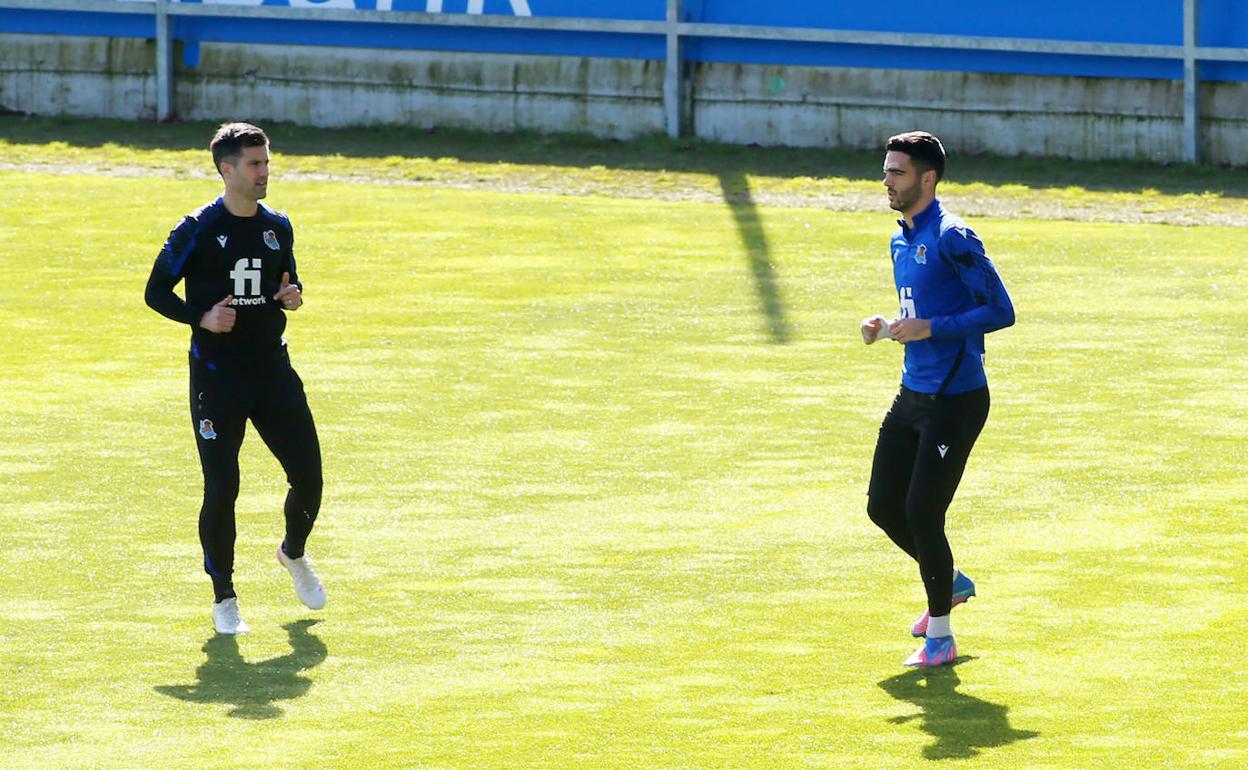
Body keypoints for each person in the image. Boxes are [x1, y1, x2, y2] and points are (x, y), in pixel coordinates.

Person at [146, 122, 326, 635]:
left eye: (266, 162)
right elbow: (156, 292)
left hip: (272, 370)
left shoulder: (278, 225)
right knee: (223, 485)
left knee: (310, 478)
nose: (265, 172)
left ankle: (293, 554)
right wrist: (200, 317)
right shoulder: (196, 228)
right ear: (227, 170)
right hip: (217, 379)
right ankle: (224, 595)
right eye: (254, 164)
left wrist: (292, 296)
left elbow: (285, 280)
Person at [861, 131, 1014, 667]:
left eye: (897, 172)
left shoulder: (955, 237)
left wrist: (932, 328)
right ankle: (949, 582)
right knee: (883, 506)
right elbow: (921, 309)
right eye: (886, 171)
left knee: (923, 512)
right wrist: (888, 326)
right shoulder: (900, 239)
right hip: (913, 394)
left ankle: (941, 639)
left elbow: (1001, 310)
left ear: (927, 178)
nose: (886, 181)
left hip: (956, 400)